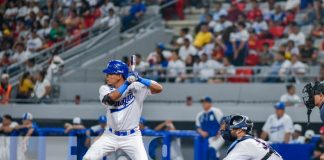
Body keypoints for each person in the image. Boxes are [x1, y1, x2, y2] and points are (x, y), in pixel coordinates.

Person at [83, 60, 163, 160]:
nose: (107, 76)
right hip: (110, 136)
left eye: (110, 74)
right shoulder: (104, 89)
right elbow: (111, 99)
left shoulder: (136, 87)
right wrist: (126, 83)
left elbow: (159, 88)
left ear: (120, 75)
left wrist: (140, 79)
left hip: (132, 137)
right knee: (87, 158)